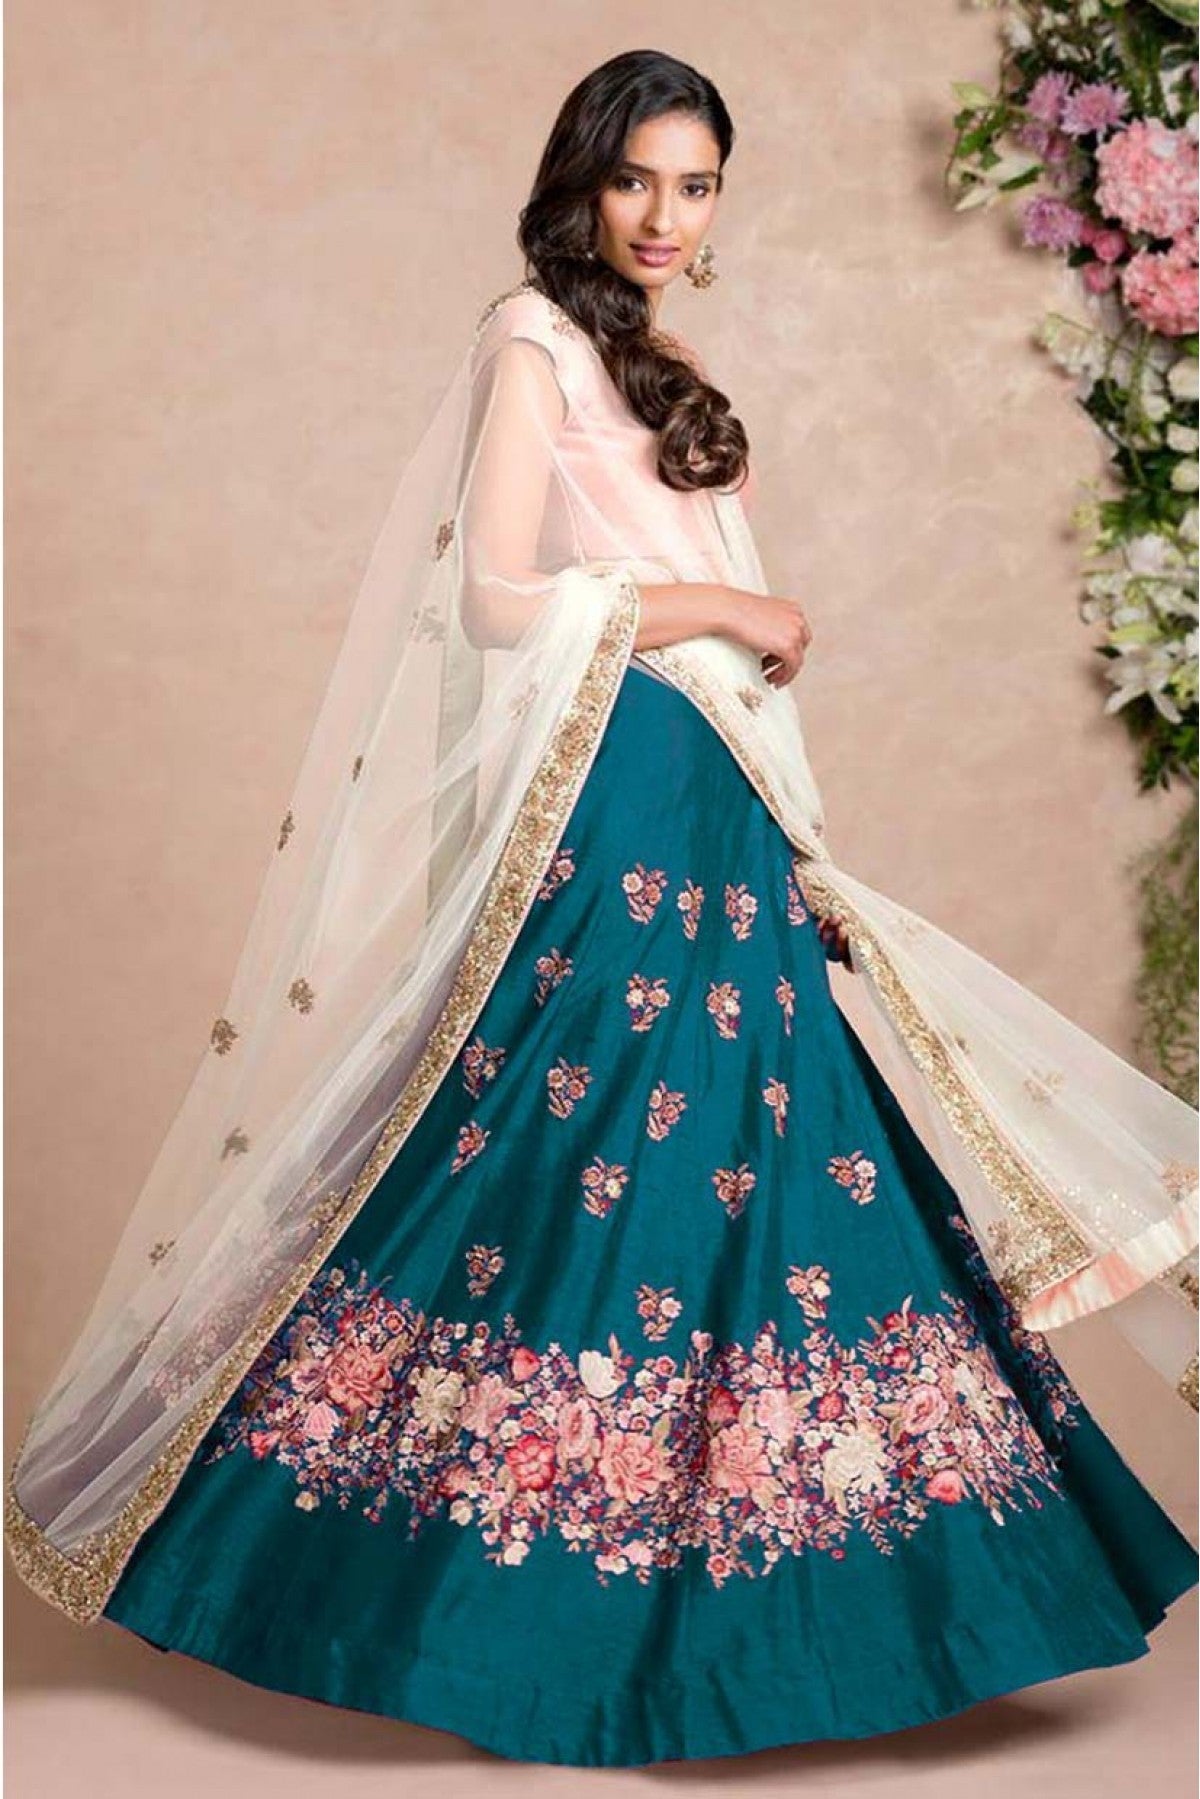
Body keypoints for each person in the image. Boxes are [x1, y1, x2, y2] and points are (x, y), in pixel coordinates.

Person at [6, 48, 1198, 1771]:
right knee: (585, 1155)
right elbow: (502, 599)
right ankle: (508, 1617)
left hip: (719, 807)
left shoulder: (666, 369)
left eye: (696, 184)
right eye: (637, 178)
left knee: (771, 1163)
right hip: (619, 797)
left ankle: (777, 1629)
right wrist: (724, 606)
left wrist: (797, 844)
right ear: (582, 180)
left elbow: (712, 649)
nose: (664, 214)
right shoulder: (532, 341)